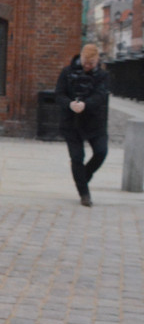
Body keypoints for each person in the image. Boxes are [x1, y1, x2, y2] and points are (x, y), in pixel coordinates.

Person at [55, 43, 109, 206]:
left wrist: (86, 104)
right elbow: (59, 94)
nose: (87, 66)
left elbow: (101, 96)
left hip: (94, 121)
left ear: (96, 61)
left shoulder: (102, 75)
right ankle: (84, 194)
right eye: (85, 62)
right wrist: (70, 104)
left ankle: (83, 176)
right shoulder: (67, 72)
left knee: (101, 152)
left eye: (91, 64)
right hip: (71, 122)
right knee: (77, 157)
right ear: (81, 58)